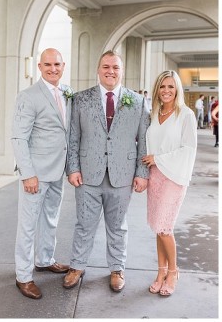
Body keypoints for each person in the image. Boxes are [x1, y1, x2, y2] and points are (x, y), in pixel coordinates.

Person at [63, 51, 150, 292]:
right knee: (84, 224)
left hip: (123, 175)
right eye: (106, 66)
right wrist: (73, 168)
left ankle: (117, 269)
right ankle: (77, 266)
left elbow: (144, 141)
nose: (110, 71)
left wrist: (142, 173)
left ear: (122, 71)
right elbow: (73, 137)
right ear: (98, 69)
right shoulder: (81, 99)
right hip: (87, 175)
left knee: (118, 226)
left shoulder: (138, 101)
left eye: (115, 67)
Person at [10, 48, 72, 299]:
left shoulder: (67, 93)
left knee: (50, 219)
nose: (52, 69)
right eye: (47, 64)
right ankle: (23, 276)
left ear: (63, 66)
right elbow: (18, 137)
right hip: (35, 173)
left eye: (57, 64)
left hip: (58, 170)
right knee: (27, 226)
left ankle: (45, 259)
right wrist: (28, 174)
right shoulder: (28, 96)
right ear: (39, 67)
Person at [141, 70, 197, 297]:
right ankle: (160, 272)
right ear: (157, 90)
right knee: (158, 227)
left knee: (165, 227)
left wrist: (158, 158)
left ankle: (173, 272)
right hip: (155, 176)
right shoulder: (154, 113)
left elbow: (189, 149)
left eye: (171, 87)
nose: (166, 91)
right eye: (162, 86)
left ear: (177, 89)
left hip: (174, 176)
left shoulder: (186, 115)